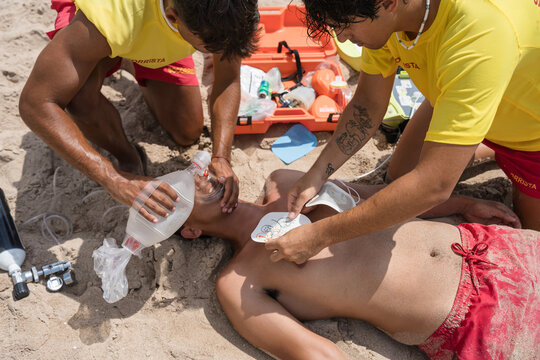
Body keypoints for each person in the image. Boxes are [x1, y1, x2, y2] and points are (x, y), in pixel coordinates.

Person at [264, 0, 540, 264]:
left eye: (346, 27)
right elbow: (368, 104)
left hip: (531, 137)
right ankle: (472, 143)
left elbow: (433, 187)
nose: (343, 38)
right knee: (398, 178)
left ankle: (476, 145)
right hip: (460, 90)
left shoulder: (479, 35)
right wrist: (318, 173)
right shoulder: (386, 19)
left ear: (389, 3)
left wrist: (320, 235)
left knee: (531, 242)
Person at [179, 169, 539, 359]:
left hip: (492, 246)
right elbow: (316, 354)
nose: (196, 178)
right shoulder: (240, 282)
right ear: (191, 230)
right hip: (477, 323)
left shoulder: (284, 181)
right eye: (182, 190)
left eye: (188, 172)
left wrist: (462, 203)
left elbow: (382, 199)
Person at [19, 0, 260, 222]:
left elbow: (228, 77)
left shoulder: (233, 7)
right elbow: (35, 103)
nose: (219, 53)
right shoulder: (114, 15)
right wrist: (113, 178)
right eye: (209, 47)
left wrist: (221, 156)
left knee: (187, 130)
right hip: (100, 23)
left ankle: (127, 55)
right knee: (80, 97)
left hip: (142, 30)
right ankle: (127, 156)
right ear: (173, 17)